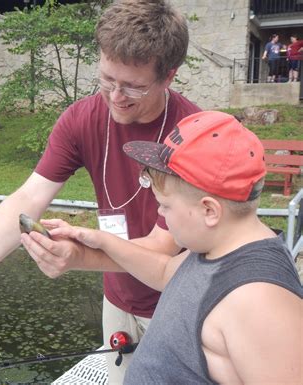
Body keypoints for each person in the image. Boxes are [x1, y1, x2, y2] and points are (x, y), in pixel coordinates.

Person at [0, 0, 200, 382]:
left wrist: (77, 256)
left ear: (168, 76)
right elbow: (28, 198)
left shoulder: (192, 133)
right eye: (106, 80)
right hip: (117, 298)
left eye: (133, 86)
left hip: (179, 304)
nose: (115, 97)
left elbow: (163, 246)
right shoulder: (81, 119)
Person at [21, 111, 302, 384]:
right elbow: (166, 271)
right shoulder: (218, 247)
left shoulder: (260, 303)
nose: (160, 213)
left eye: (165, 205)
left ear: (209, 211)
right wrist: (97, 240)